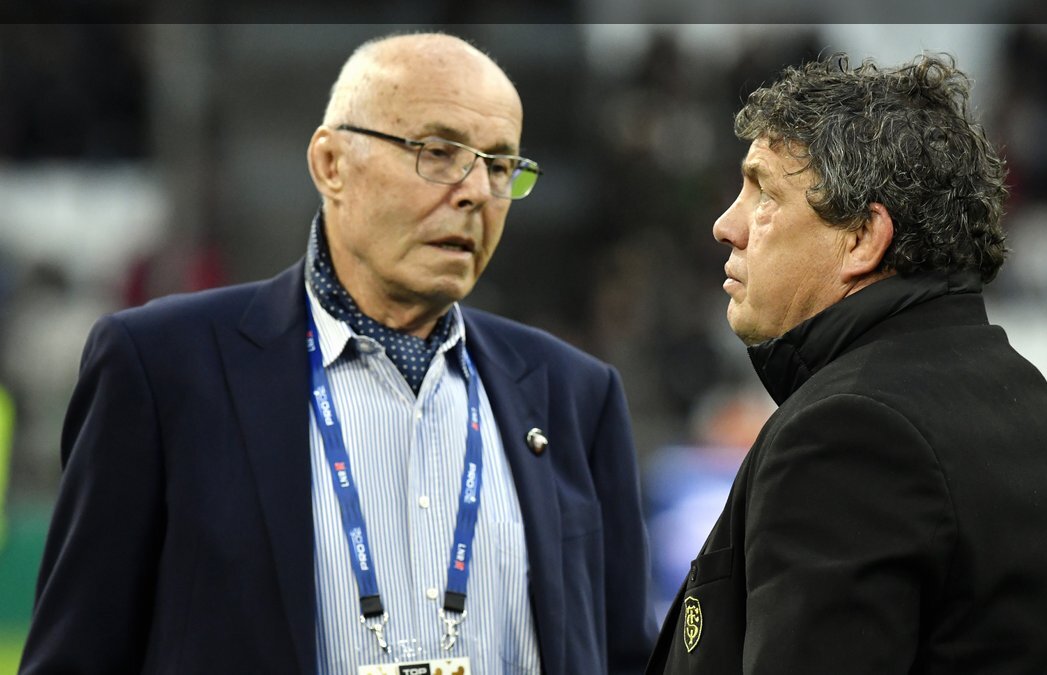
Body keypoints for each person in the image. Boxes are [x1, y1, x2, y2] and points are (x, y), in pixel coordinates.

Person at [21, 32, 656, 675]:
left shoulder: (575, 394)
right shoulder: (161, 368)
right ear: (331, 164)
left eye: (499, 166)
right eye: (438, 152)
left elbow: (625, 656)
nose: (475, 192)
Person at [646, 54, 1047, 674]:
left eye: (765, 193)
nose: (725, 225)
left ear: (862, 239)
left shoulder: (848, 430)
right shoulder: (1019, 396)